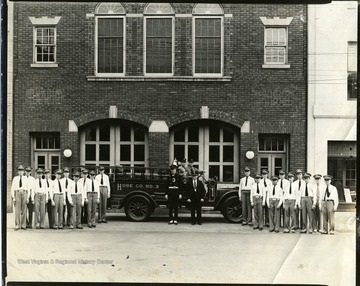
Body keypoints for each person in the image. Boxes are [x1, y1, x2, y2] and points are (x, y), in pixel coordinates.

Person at [10, 165, 29, 230]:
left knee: (24, 210)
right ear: (18, 172)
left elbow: (28, 188)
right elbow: (12, 188)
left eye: (22, 171)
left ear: (24, 172)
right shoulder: (15, 178)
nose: (21, 172)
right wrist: (13, 197)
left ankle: (24, 225)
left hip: (24, 193)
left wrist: (27, 197)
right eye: (19, 171)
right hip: (17, 193)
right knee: (17, 210)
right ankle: (17, 225)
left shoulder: (26, 178)